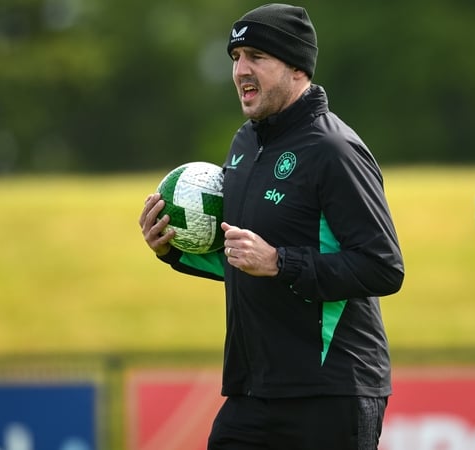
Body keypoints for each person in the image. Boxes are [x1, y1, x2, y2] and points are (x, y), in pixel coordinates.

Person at [138, 4, 404, 449]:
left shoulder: (334, 149)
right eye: (235, 57)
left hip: (330, 392)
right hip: (253, 393)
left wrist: (281, 262)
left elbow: (383, 268)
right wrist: (172, 248)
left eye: (256, 56)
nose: (240, 70)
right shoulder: (243, 145)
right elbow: (241, 260)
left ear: (296, 66)